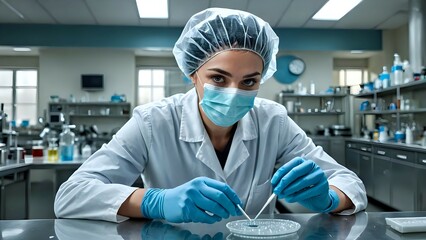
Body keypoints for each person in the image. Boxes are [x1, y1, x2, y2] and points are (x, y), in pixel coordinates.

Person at [54, 8, 367, 223]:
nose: (234, 92)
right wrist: (155, 202)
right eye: (218, 78)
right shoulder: (153, 121)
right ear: (193, 75)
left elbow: (349, 183)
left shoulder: (274, 120)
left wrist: (328, 198)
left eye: (249, 81)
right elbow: (70, 196)